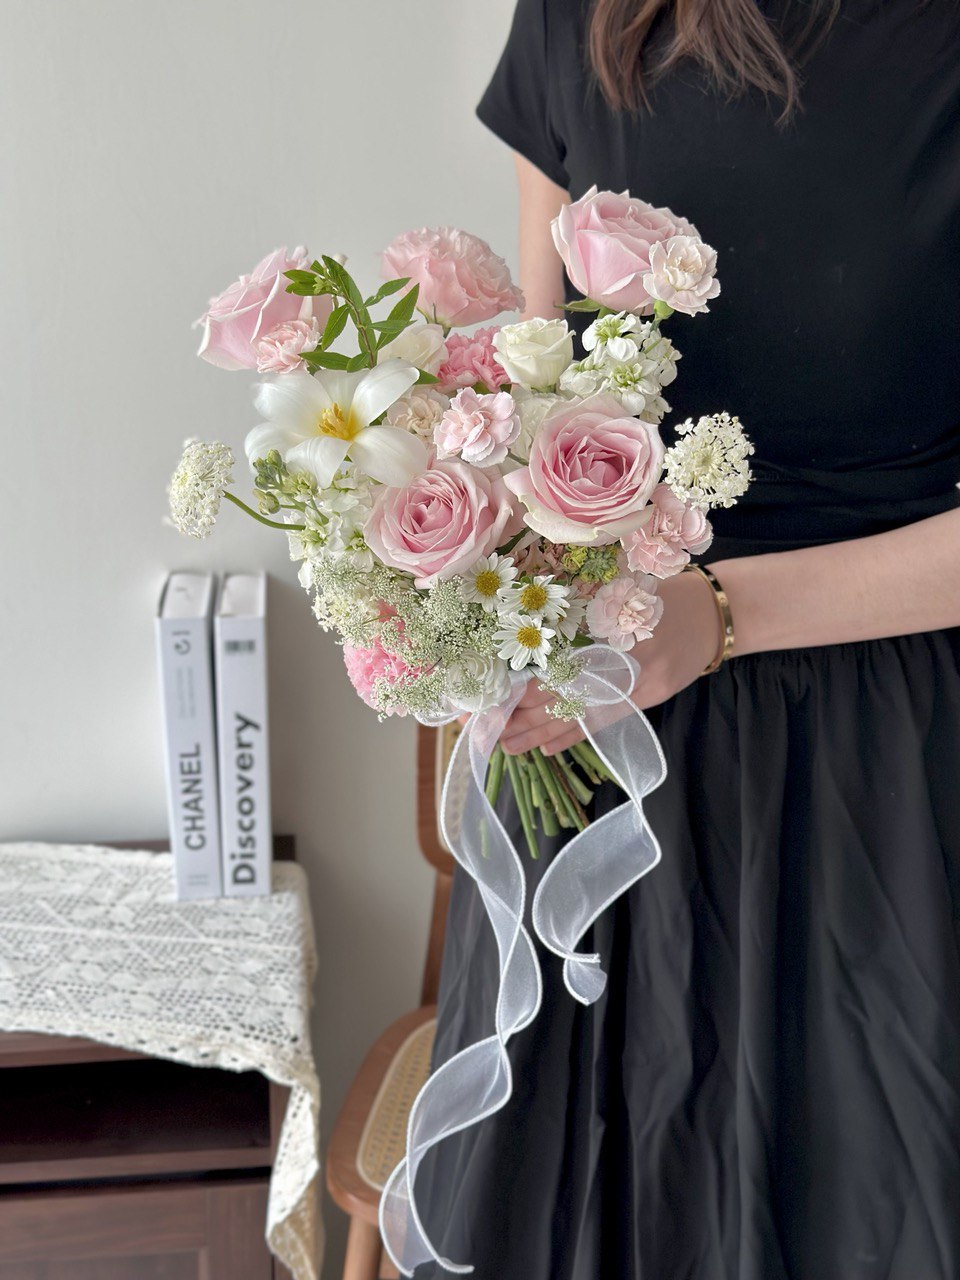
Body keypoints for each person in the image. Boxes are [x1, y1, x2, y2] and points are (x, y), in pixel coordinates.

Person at [414, 2, 960, 1276]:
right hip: (606, 766)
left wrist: (716, 618)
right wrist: (458, 587)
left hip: (894, 778)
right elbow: (532, 396)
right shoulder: (581, 18)